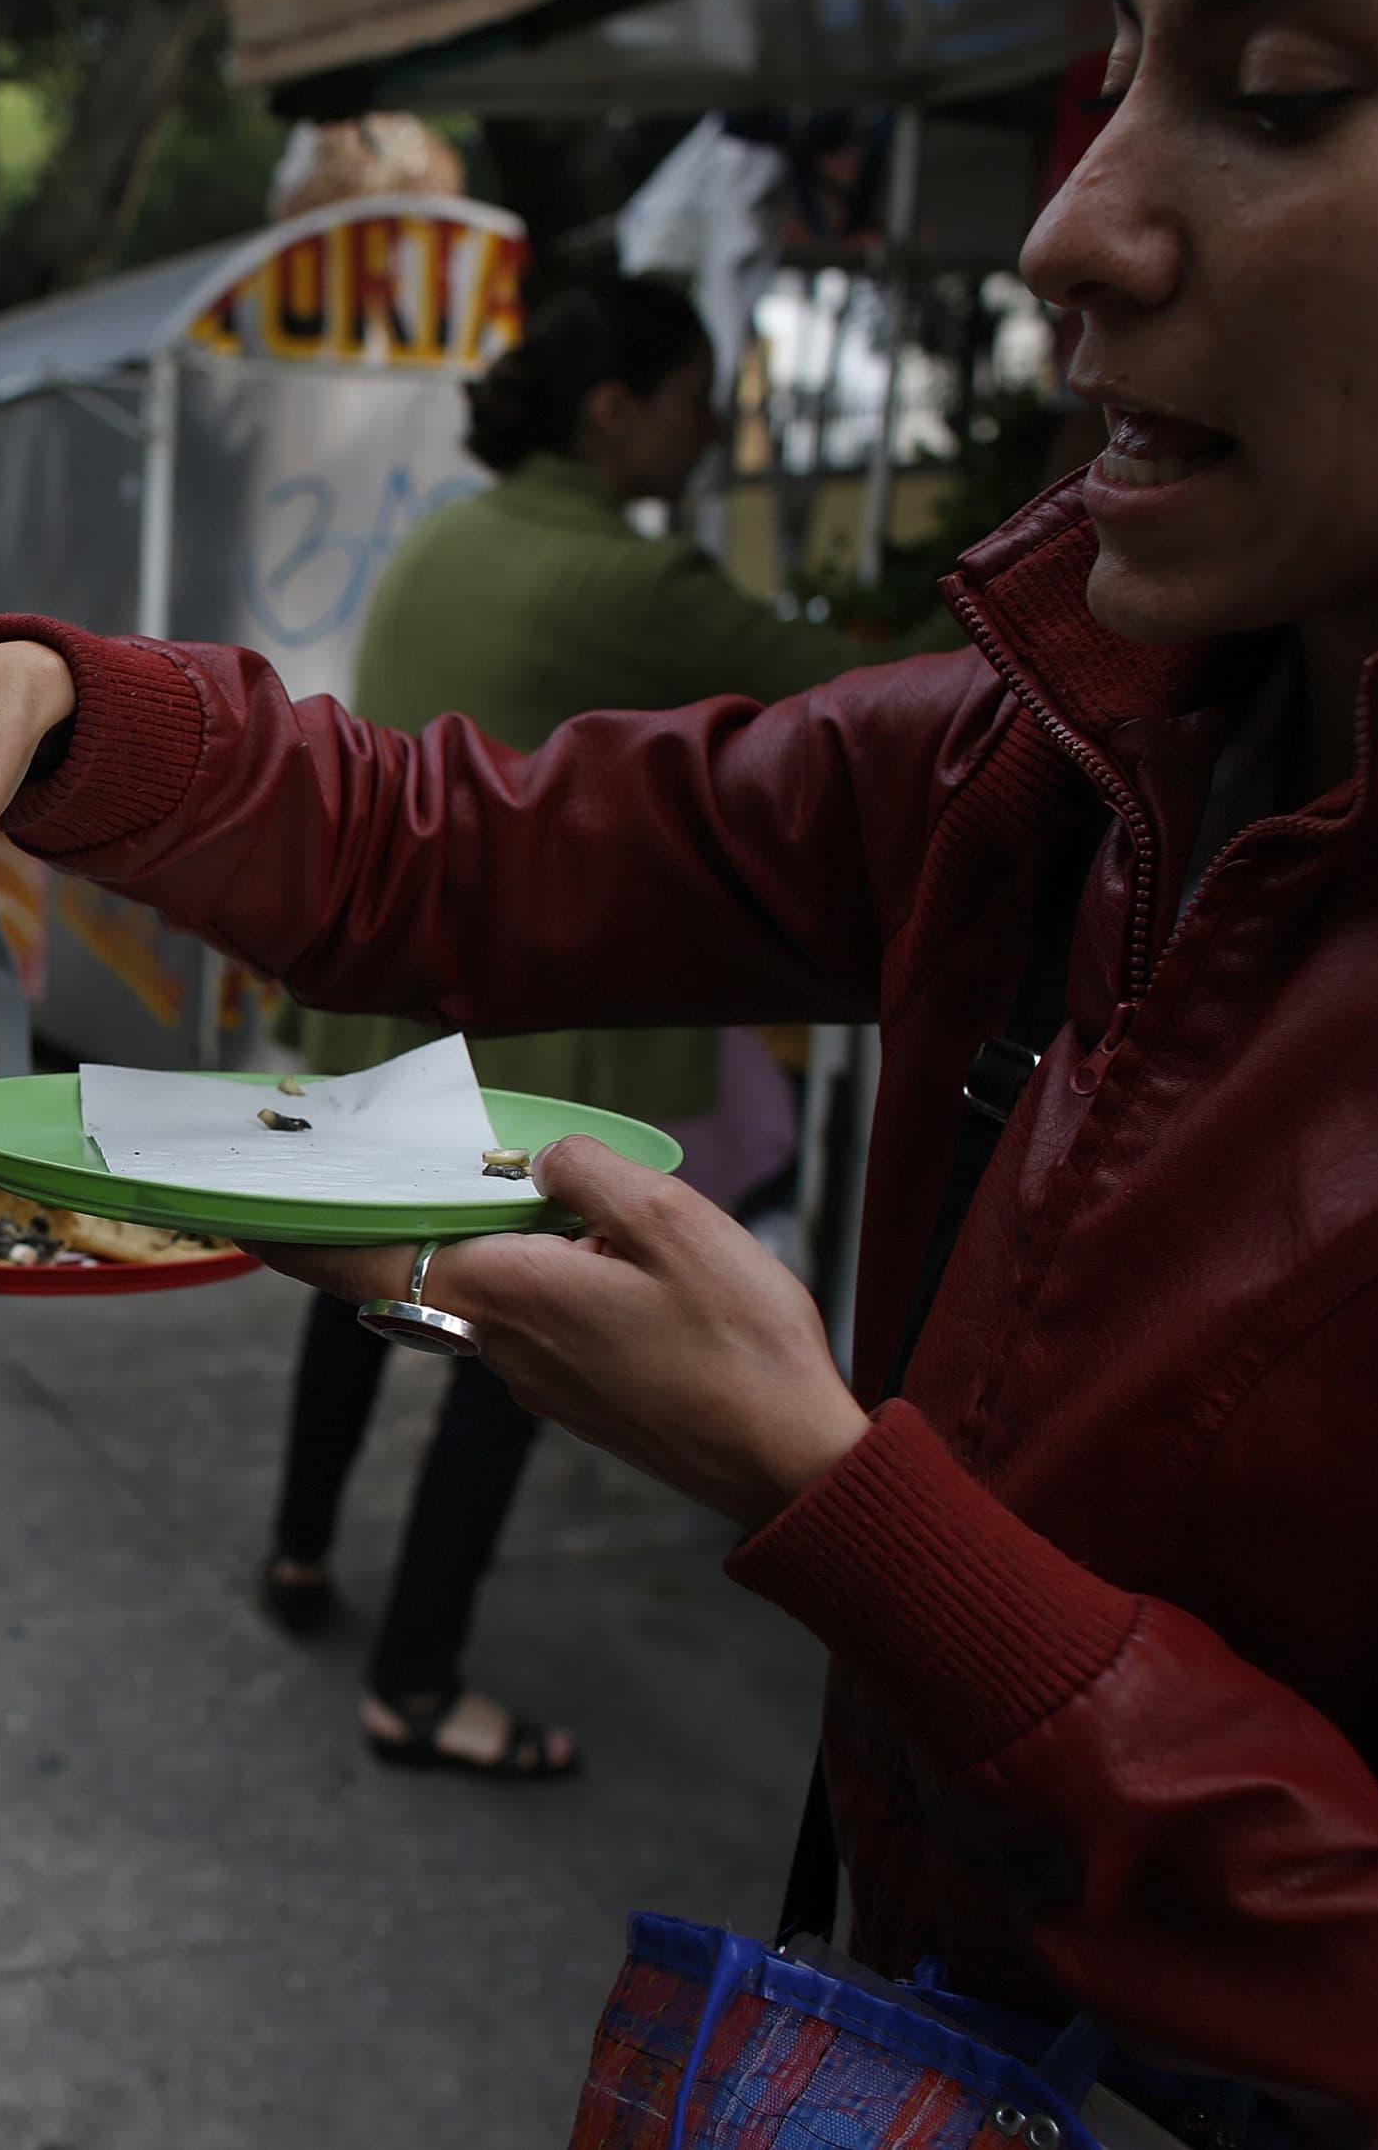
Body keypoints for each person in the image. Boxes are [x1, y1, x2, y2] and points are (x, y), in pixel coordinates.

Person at [0, 0, 1378, 2126]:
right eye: (1112, 68)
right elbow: (451, 847)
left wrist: (840, 1502)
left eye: (1282, 95)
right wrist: (48, 704)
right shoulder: (1066, 750)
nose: (1070, 227)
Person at [265, 275, 909, 1780]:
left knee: (345, 1285)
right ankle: (415, 1681)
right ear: (616, 410)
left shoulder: (446, 533)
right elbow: (873, 706)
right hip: (524, 1050)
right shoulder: (637, 585)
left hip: (385, 1019)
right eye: (695, 395)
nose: (708, 428)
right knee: (519, 1338)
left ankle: (299, 1550)